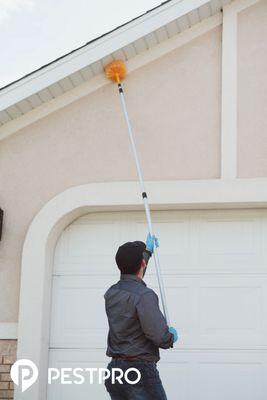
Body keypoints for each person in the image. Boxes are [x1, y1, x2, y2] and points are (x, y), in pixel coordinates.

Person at [104, 234, 178, 400]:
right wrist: (170, 337)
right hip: (139, 372)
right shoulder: (144, 296)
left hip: (115, 371)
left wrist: (147, 252)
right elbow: (159, 336)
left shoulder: (111, 293)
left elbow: (133, 273)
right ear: (142, 264)